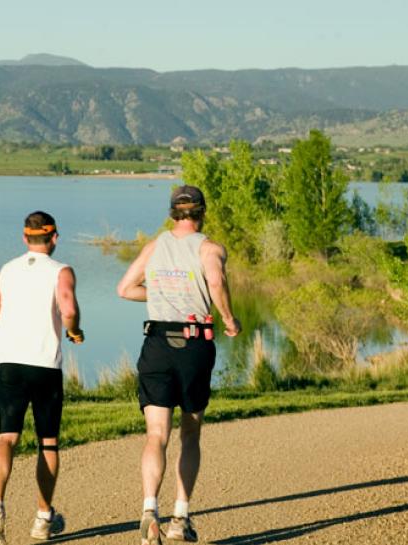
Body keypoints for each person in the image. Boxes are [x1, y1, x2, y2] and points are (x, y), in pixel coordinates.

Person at [116, 185, 240, 545]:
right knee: (190, 432)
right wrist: (230, 320)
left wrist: (159, 294)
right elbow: (215, 280)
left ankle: (149, 509)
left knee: (156, 434)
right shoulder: (210, 248)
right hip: (194, 343)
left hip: (156, 343)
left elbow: (125, 288)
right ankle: (179, 519)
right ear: (202, 213)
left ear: (172, 214)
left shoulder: (154, 247)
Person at [0, 210, 84, 545]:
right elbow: (67, 309)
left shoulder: (7, 270)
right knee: (48, 442)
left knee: (5, 439)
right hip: (44, 365)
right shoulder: (61, 271)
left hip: (10, 362)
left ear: (25, 238)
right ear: (54, 238)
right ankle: (42, 519)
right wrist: (74, 331)